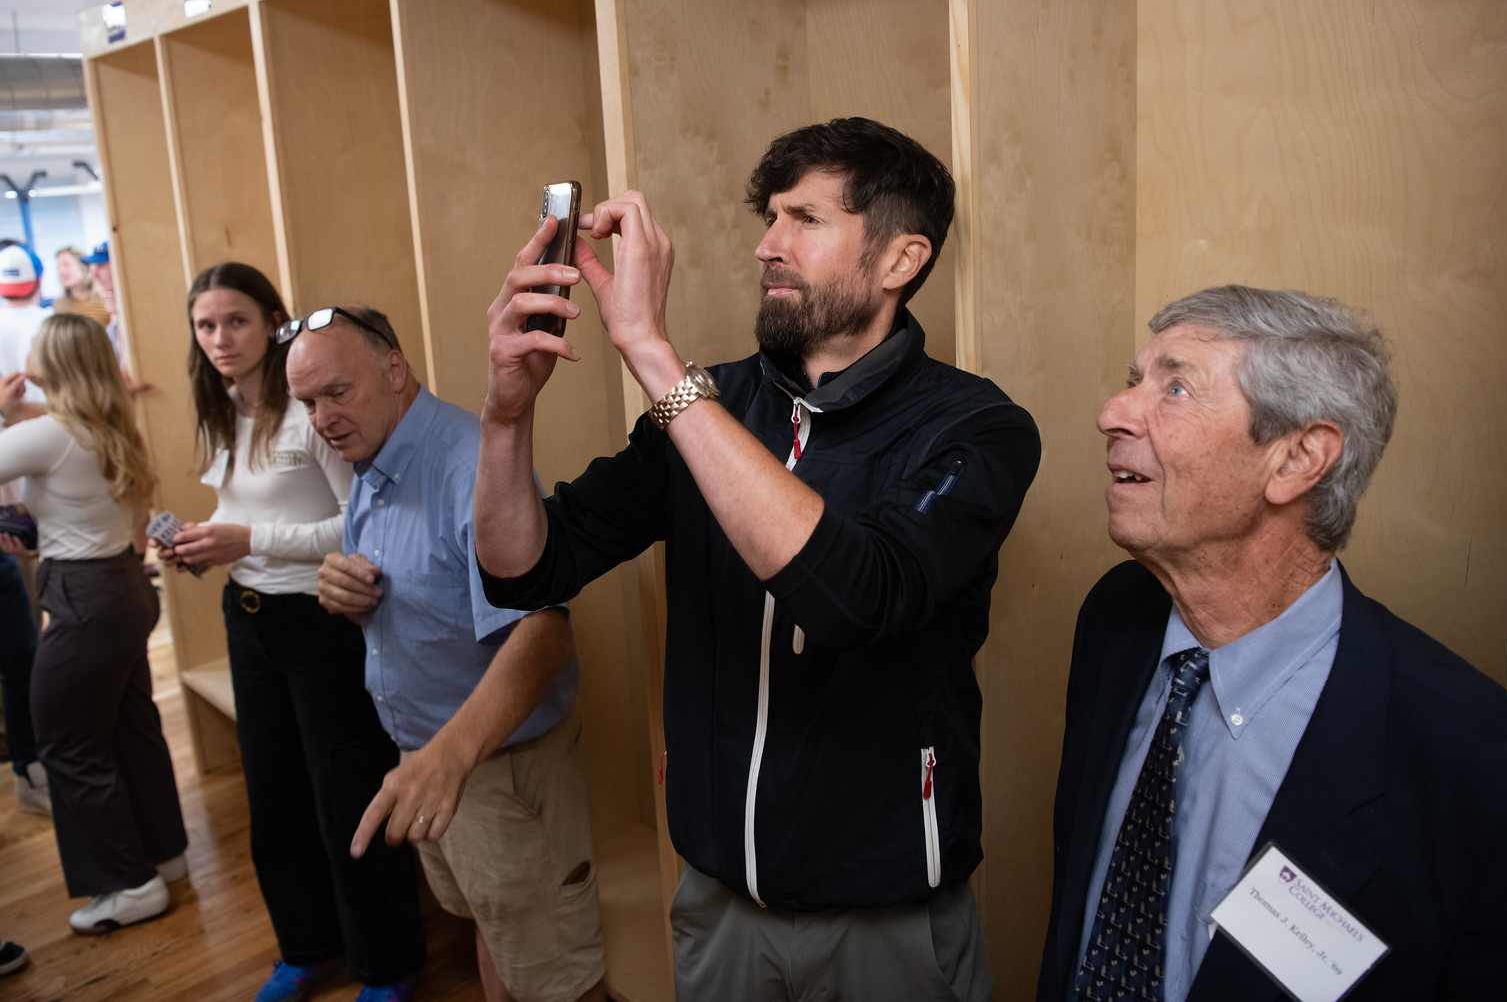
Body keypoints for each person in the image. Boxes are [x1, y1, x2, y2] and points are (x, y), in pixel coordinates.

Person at [474, 117, 1042, 1001]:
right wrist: (505, 417)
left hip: (885, 918)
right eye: (769, 218)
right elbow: (525, 569)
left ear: (900, 261)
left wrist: (655, 361)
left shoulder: (977, 428)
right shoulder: (716, 401)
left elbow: (855, 596)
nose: (766, 246)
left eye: (805, 220)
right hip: (718, 905)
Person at [1036, 285, 1507, 1002]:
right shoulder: (1116, 621)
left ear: (1298, 459)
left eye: (1174, 387)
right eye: (1132, 381)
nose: (1112, 413)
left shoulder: (1496, 791)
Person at [284, 306, 606, 1002]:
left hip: (493, 766)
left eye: (336, 392)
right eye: (307, 402)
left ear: (394, 369)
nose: (321, 416)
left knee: (556, 975)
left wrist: (446, 759)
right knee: (491, 931)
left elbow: (544, 632)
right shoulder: (371, 459)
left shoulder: (466, 465)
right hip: (436, 759)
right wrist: (350, 591)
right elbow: (426, 591)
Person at [160, 264, 424, 1002]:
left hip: (321, 623)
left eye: (236, 321)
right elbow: (240, 516)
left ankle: (388, 964)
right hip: (248, 621)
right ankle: (306, 946)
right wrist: (203, 543)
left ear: (274, 321)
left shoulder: (308, 409)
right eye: (205, 325)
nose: (219, 339)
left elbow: (358, 524)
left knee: (347, 796)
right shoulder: (220, 408)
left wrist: (247, 537)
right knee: (274, 798)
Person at [0, 313, 188, 935]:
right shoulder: (111, 428)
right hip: (123, 590)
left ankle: (128, 885)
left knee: (66, 742)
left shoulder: (49, 434)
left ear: (50, 366)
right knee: (133, 728)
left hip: (86, 601)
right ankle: (164, 857)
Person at [0, 242, 50, 818]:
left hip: (17, 514)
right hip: (35, 511)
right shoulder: (45, 322)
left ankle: (33, 766)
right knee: (28, 650)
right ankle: (33, 765)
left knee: (28, 648)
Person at [53, 247, 111, 327]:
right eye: (58, 267)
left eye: (66, 264)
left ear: (83, 266)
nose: (61, 271)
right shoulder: (58, 306)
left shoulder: (104, 299)